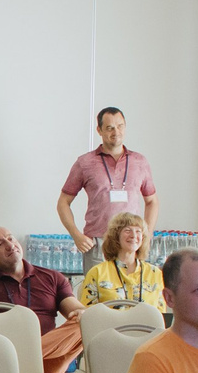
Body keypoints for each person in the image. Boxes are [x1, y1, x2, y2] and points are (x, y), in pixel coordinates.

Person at [0, 227, 84, 373]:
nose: (10, 245)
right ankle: (23, 361)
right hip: (6, 360)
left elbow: (75, 309)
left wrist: (82, 312)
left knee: (85, 321)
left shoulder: (53, 278)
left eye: (10, 238)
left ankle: (25, 360)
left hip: (48, 360)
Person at [56, 108, 159, 267]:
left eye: (120, 126)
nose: (116, 132)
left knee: (131, 283)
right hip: (98, 244)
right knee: (97, 284)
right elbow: (63, 202)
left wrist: (147, 235)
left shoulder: (140, 162)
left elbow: (152, 201)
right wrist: (76, 235)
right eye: (110, 128)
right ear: (99, 130)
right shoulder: (85, 163)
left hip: (132, 243)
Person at [76, 213, 166, 312]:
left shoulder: (155, 273)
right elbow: (88, 314)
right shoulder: (97, 272)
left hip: (146, 323)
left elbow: (161, 316)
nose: (133, 235)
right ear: (116, 236)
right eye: (127, 230)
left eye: (138, 231)